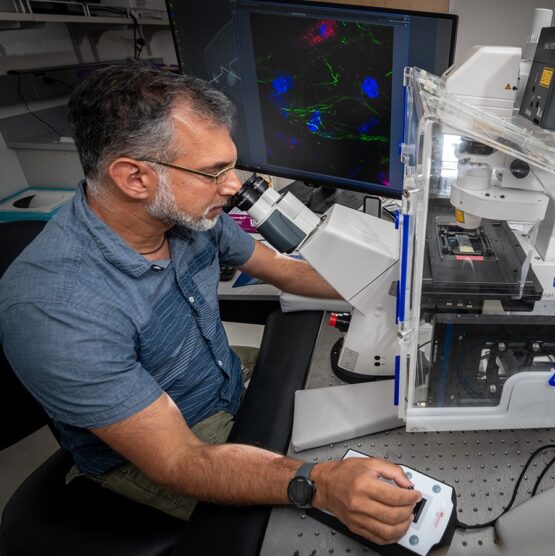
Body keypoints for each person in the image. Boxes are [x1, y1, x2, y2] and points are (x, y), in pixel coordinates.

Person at [0, 61, 420, 546]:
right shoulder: (57, 309)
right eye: (213, 171)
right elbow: (179, 461)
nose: (233, 184)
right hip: (164, 448)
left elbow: (285, 269)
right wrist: (318, 484)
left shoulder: (186, 214)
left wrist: (395, 283)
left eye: (230, 164)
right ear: (134, 178)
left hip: (219, 378)